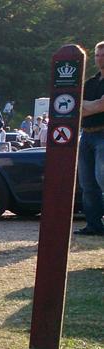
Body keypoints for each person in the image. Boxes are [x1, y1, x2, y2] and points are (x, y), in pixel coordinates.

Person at [76, 40, 104, 236]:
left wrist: (86, 106)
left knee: (102, 179)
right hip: (86, 135)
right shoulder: (91, 82)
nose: (99, 58)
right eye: (97, 55)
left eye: (103, 55)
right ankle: (93, 224)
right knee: (87, 183)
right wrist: (90, 105)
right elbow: (74, 107)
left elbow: (100, 106)